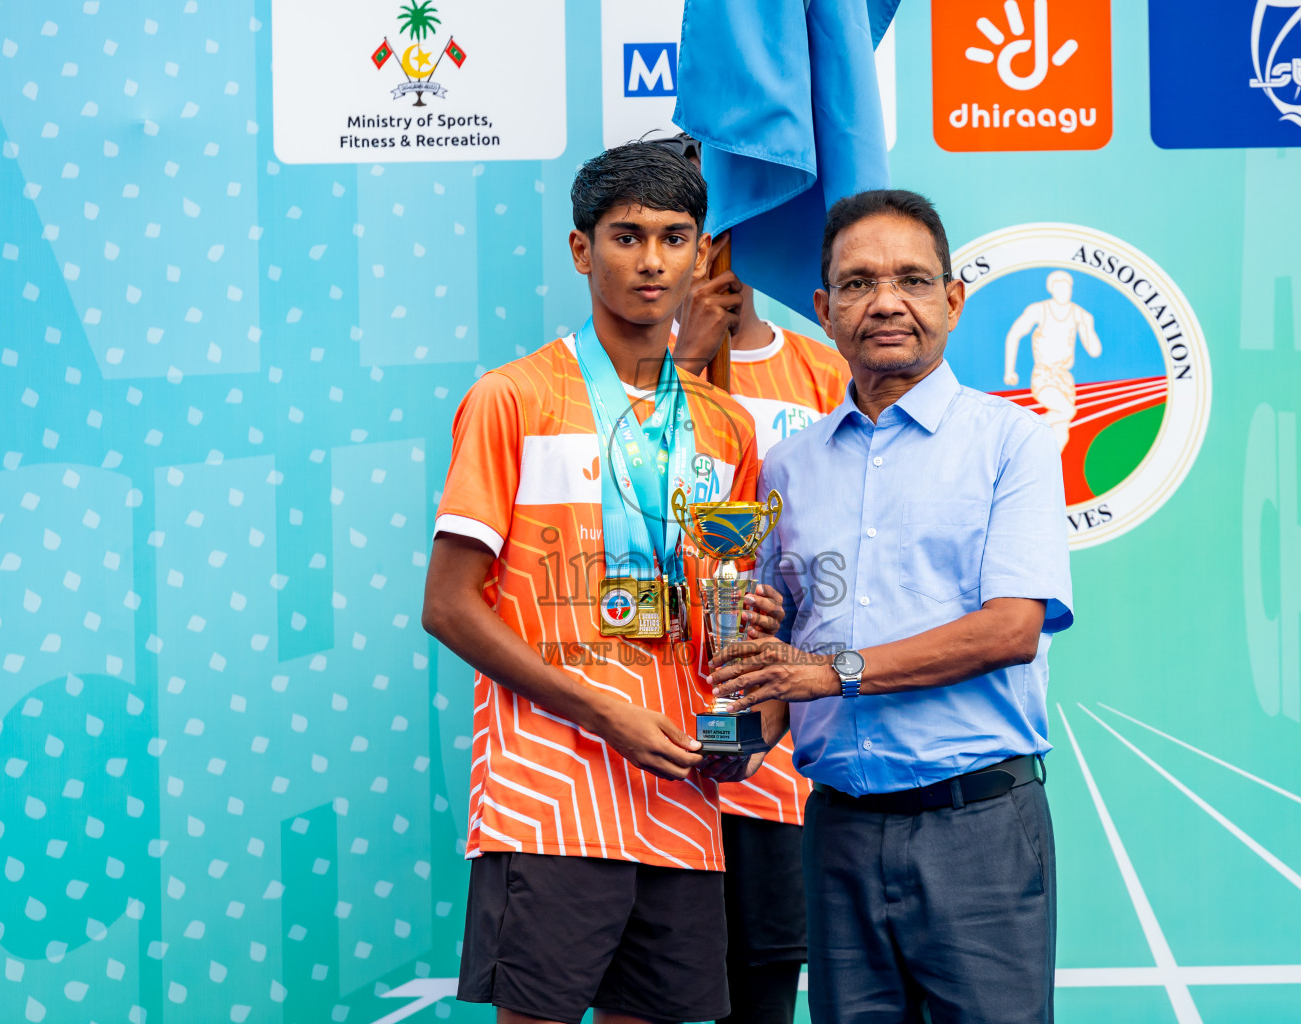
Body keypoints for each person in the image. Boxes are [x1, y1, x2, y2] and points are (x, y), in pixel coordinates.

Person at [422, 142, 782, 1024]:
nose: (652, 261)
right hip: (551, 793)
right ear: (583, 250)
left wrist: (751, 707)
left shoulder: (727, 426)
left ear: (703, 253)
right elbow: (448, 604)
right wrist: (600, 711)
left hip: (681, 795)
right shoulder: (512, 398)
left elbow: (726, 607)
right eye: (626, 236)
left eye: (674, 237)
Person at [710, 189, 1074, 1024]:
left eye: (912, 280)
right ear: (823, 310)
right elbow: (778, 664)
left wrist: (828, 673)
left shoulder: (1010, 444)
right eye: (858, 282)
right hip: (837, 834)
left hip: (975, 824)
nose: (885, 302)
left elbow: (1012, 630)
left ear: (952, 301)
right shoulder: (786, 469)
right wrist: (728, 741)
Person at [674, 238, 850, 1024]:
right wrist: (682, 362)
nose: (706, 253)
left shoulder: (824, 375)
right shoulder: (611, 385)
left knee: (764, 985)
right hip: (649, 745)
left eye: (721, 226)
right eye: (686, 233)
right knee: (655, 986)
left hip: (772, 757)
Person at [1002, 268, 1102, 451]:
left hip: (1065, 378)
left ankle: (1050, 473)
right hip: (1044, 375)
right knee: (1066, 411)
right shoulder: (1039, 310)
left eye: (1067, 287)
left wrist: (1088, 326)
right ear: (1052, 289)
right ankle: (1022, 434)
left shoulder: (1079, 314)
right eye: (1059, 287)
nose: (1064, 291)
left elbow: (1094, 351)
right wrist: (1010, 370)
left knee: (1061, 432)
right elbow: (1014, 335)